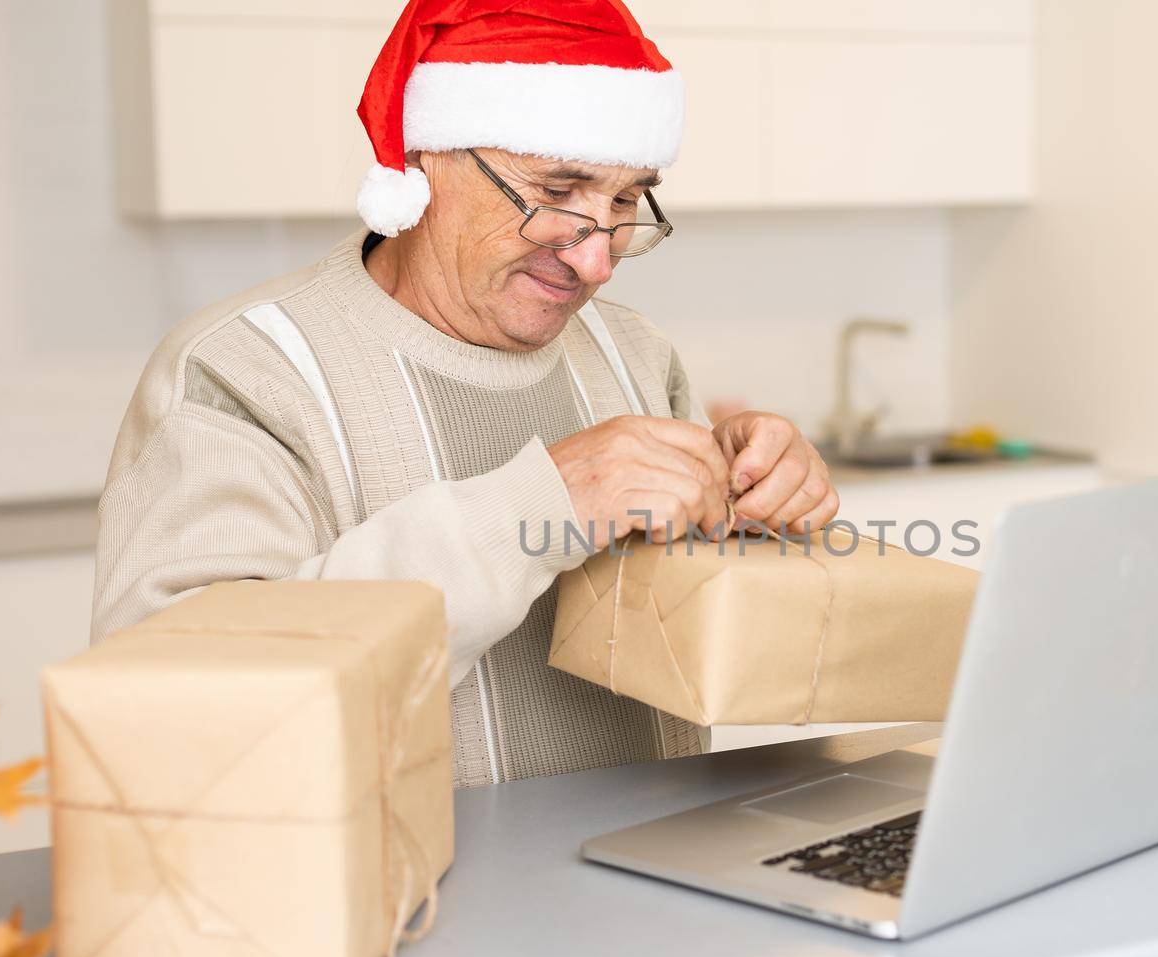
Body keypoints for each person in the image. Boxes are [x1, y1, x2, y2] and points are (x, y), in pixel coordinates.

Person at [92, 0, 838, 787]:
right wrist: (543, 505)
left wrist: (761, 510)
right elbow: (177, 711)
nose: (599, 264)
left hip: (662, 873)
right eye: (557, 189)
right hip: (395, 899)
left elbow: (702, 626)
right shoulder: (243, 371)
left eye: (625, 203)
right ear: (426, 163)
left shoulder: (634, 353)